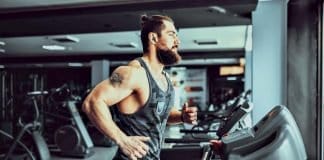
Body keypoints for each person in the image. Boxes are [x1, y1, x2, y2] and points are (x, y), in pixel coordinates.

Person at [82, 14, 198, 160]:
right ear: (153, 38)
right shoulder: (130, 73)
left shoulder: (166, 78)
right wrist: (122, 140)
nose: (177, 41)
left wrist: (182, 116)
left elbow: (160, 115)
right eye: (171, 34)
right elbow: (92, 102)